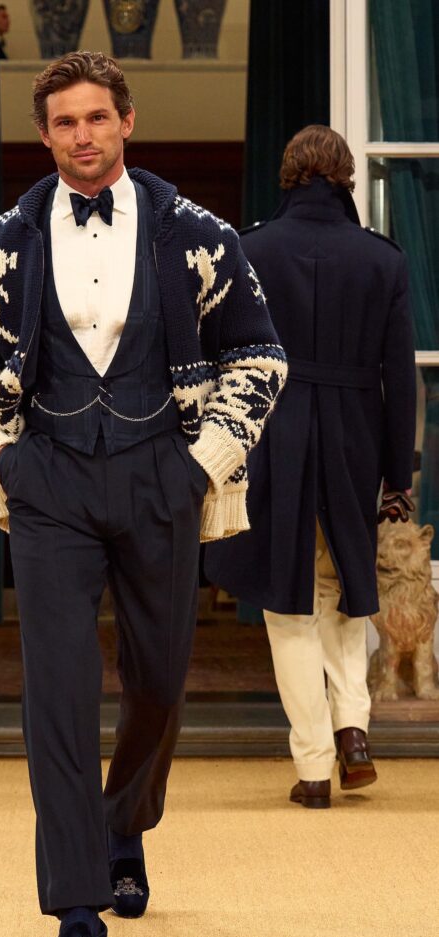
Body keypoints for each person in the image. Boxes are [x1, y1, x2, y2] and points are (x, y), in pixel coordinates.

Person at [0, 51, 286, 937]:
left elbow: (259, 356)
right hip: (47, 483)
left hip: (159, 477)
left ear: (126, 121)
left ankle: (123, 823)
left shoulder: (198, 234)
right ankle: (76, 904)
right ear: (43, 134)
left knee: (158, 680)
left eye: (96, 118)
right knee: (55, 691)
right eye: (64, 122)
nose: (81, 136)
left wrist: (200, 465)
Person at [206, 125, 416, 810]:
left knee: (287, 597)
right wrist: (399, 476)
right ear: (346, 175)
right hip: (355, 439)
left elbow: (224, 363)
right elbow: (399, 378)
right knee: (343, 585)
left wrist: (215, 451)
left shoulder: (249, 248)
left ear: (288, 174)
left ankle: (314, 767)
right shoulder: (381, 258)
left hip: (274, 433)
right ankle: (352, 729)